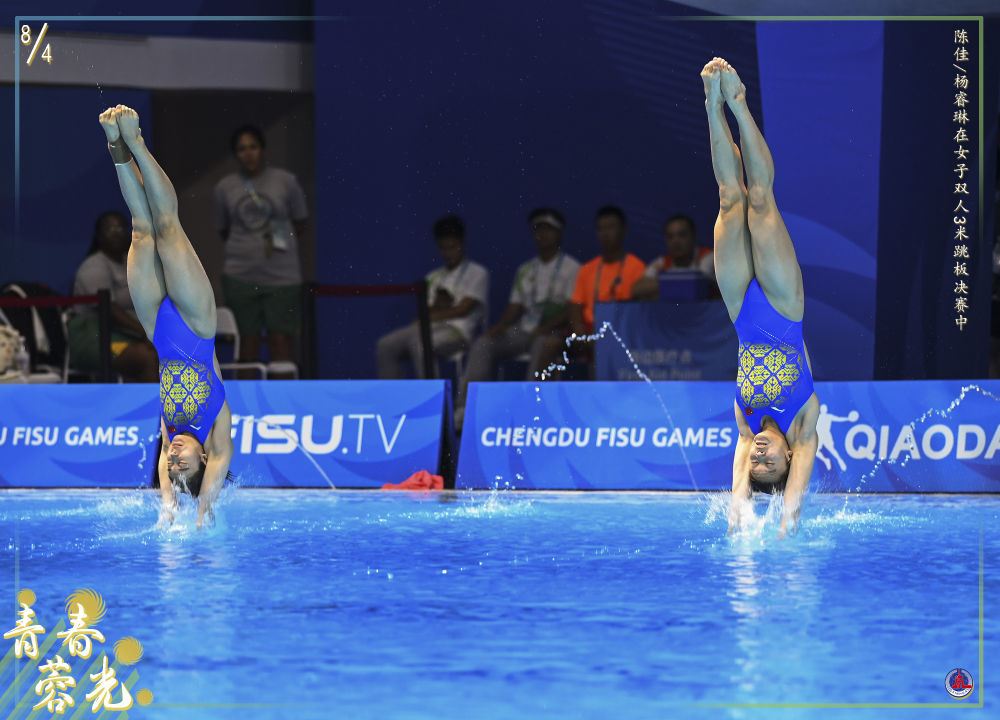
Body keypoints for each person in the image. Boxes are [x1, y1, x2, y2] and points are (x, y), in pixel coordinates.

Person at [99, 104, 233, 529]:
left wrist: (167, 505)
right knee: (167, 226)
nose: (174, 458)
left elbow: (161, 466)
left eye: (173, 464)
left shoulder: (169, 430)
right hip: (196, 324)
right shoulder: (216, 428)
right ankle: (138, 141)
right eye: (184, 464)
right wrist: (202, 510)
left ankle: (117, 148)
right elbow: (220, 467)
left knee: (142, 229)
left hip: (158, 327)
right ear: (204, 459)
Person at [701, 58, 819, 538]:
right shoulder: (804, 424)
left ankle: (712, 106)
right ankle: (739, 103)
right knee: (760, 199)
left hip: (741, 312)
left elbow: (737, 493)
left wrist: (740, 508)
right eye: (771, 465)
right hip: (785, 306)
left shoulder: (744, 424)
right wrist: (785, 524)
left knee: (730, 199)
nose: (760, 458)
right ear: (789, 457)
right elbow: (792, 506)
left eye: (756, 465)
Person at [454, 208, 581, 430]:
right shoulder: (526, 269)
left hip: (554, 331)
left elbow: (571, 310)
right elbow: (515, 308)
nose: (543, 234)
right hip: (525, 330)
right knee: (484, 343)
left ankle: (530, 409)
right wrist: (499, 328)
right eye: (538, 230)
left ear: (560, 233)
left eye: (549, 229)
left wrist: (546, 327)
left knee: (542, 344)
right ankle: (467, 408)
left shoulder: (573, 267)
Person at [213, 125, 308, 378]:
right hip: (241, 275)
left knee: (281, 341)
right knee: (247, 343)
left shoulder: (286, 181)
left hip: (282, 276)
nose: (248, 154)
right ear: (236, 154)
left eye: (253, 147)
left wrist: (277, 238)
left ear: (263, 149)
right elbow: (223, 229)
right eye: (241, 149)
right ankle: (246, 401)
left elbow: (300, 222)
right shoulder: (225, 187)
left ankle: (283, 399)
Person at [376, 215, 489, 378]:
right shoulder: (432, 276)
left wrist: (433, 313)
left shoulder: (477, 273)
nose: (448, 253)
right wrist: (437, 308)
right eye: (443, 248)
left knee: (421, 344)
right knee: (385, 345)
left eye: (452, 247)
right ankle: (394, 393)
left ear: (463, 242)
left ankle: (433, 394)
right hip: (427, 328)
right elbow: (428, 310)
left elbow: (462, 310)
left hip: (459, 333)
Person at [66, 211, 160, 383]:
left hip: (125, 334)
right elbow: (110, 310)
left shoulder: (131, 262)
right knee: (147, 356)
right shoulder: (94, 266)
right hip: (93, 337)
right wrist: (146, 333)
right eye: (111, 229)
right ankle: (150, 402)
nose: (117, 233)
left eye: (121, 228)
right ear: (99, 236)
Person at [568, 205, 646, 337]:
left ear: (623, 230)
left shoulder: (637, 267)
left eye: (610, 227)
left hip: (620, 329)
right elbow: (576, 304)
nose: (605, 234)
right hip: (589, 328)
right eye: (601, 228)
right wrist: (578, 330)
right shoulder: (587, 269)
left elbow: (638, 308)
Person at [630, 214, 715, 300]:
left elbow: (697, 284)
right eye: (670, 237)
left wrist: (662, 287)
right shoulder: (662, 262)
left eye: (682, 235)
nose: (675, 241)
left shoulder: (709, 257)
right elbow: (637, 289)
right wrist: (671, 284)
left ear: (693, 236)